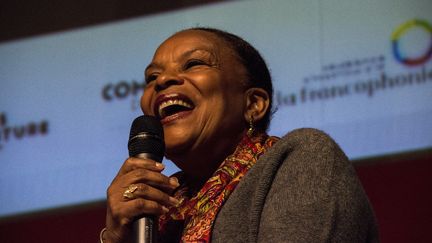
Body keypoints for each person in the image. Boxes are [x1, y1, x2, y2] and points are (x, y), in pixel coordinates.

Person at [101, 27, 379, 243]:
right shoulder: (156, 213)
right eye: (152, 78)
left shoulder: (302, 159)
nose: (162, 81)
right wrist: (115, 238)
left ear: (253, 104)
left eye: (194, 63)